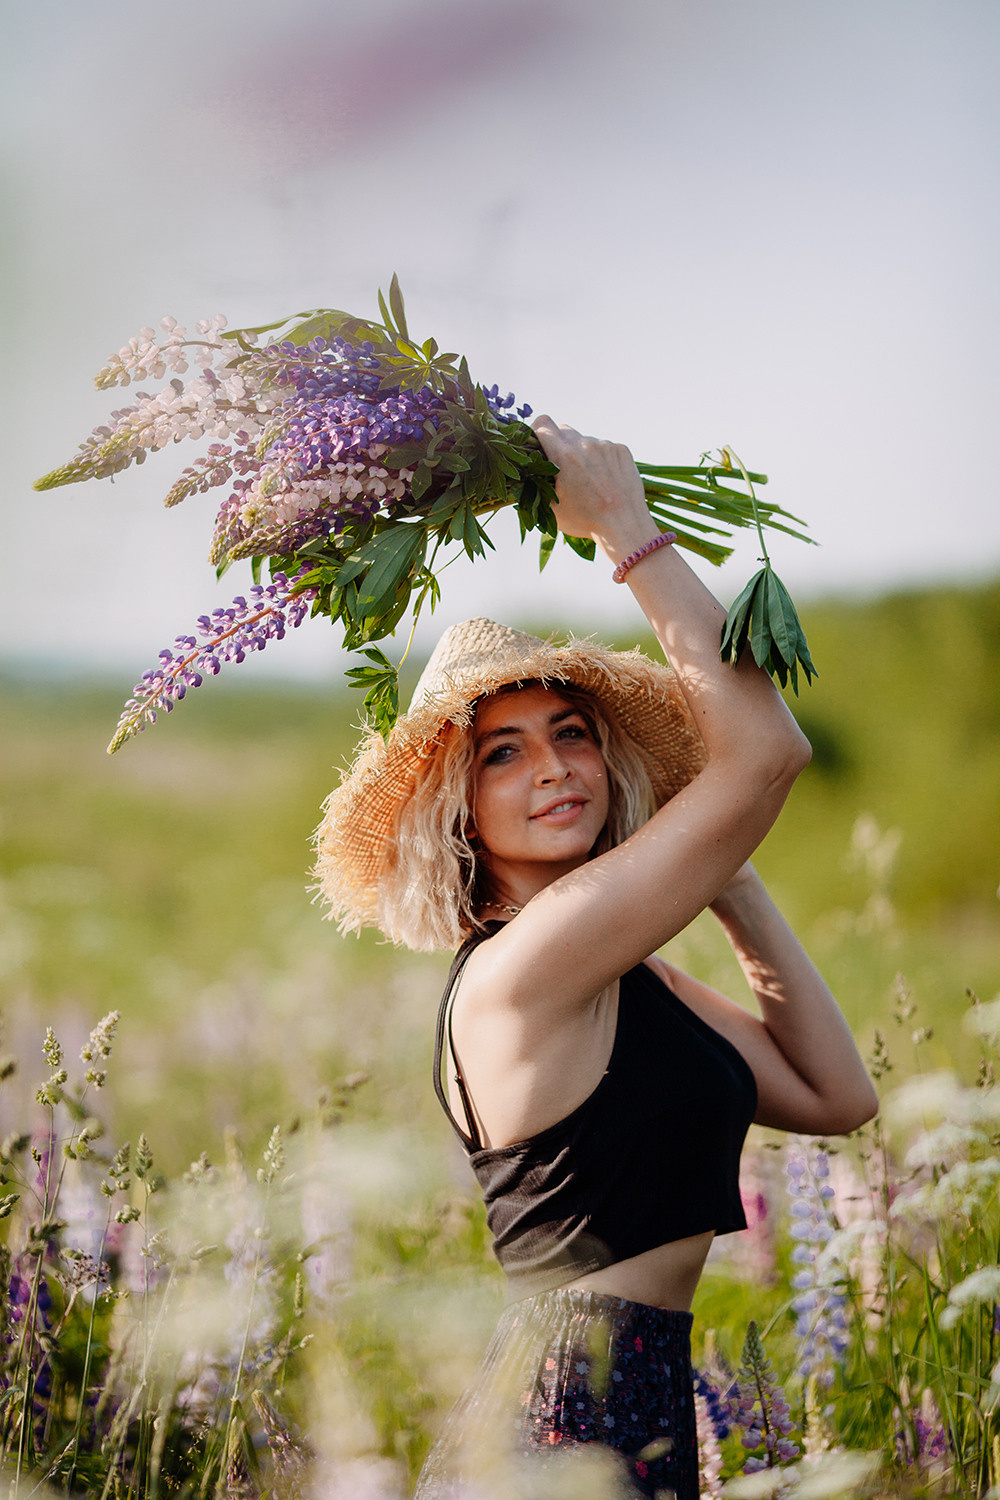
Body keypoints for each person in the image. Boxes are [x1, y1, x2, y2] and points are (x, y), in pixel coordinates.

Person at [314, 418, 878, 1499]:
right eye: (504, 753)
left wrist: (732, 880)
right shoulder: (522, 971)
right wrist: (625, 529)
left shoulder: (619, 973)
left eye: (572, 733)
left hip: (634, 1401)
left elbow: (835, 1095)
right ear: (458, 808)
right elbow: (768, 752)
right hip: (562, 1417)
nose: (555, 768)